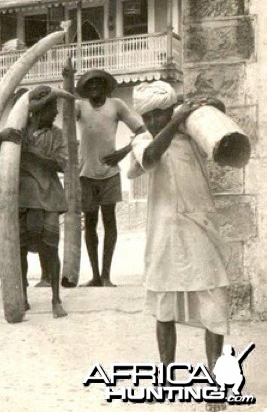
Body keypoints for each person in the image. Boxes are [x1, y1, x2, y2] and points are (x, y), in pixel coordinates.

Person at [126, 82, 229, 377]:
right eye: (147, 116)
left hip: (200, 226)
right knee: (163, 304)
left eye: (158, 115)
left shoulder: (192, 134)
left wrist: (203, 105)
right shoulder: (143, 140)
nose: (151, 122)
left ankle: (217, 381)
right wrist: (174, 120)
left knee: (213, 302)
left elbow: (219, 122)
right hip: (164, 232)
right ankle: (167, 376)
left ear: (170, 109)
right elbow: (150, 158)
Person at [0, 86, 71, 318]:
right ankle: (22, 297)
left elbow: (60, 164)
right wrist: (0, 140)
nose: (55, 113)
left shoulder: (55, 134)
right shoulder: (14, 132)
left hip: (48, 199)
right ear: (37, 111)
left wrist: (30, 150)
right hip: (21, 200)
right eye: (51, 109)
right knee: (20, 251)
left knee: (50, 249)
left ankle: (56, 299)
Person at [75, 69, 146, 287]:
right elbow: (67, 109)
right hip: (85, 174)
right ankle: (95, 275)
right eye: (90, 84)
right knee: (90, 223)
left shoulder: (116, 105)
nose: (94, 87)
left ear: (106, 86)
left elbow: (142, 130)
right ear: (86, 89)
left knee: (109, 222)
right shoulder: (80, 106)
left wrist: (124, 152)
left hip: (109, 173)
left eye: (98, 83)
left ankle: (106, 275)